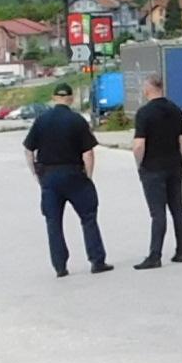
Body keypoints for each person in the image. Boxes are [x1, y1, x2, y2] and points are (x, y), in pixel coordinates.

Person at [23, 83, 109, 276]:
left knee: (53, 222)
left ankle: (60, 266)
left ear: (54, 98)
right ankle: (97, 261)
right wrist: (88, 177)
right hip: (74, 174)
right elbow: (88, 153)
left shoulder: (41, 121)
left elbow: (29, 151)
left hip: (49, 177)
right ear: (70, 99)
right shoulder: (77, 120)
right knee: (88, 218)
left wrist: (37, 175)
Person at [130, 74, 182, 268]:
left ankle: (155, 255)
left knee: (158, 212)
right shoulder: (175, 110)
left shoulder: (144, 113)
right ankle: (181, 252)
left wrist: (139, 164)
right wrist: (179, 160)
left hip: (153, 167)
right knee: (177, 208)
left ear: (148, 88)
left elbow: (139, 145)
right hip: (173, 164)